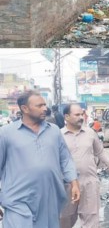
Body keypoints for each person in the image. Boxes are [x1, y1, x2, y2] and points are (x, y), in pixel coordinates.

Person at [0, 90, 80, 227]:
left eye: (45, 105)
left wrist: (74, 182)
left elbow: (65, 159)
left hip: (49, 198)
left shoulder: (54, 131)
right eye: (39, 106)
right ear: (24, 108)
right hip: (17, 199)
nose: (45, 108)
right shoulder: (6, 133)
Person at [60, 103, 109, 228]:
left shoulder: (90, 133)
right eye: (77, 115)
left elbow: (100, 151)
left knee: (91, 219)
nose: (81, 117)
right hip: (67, 185)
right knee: (64, 219)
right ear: (66, 116)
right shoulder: (58, 136)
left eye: (81, 114)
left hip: (89, 182)